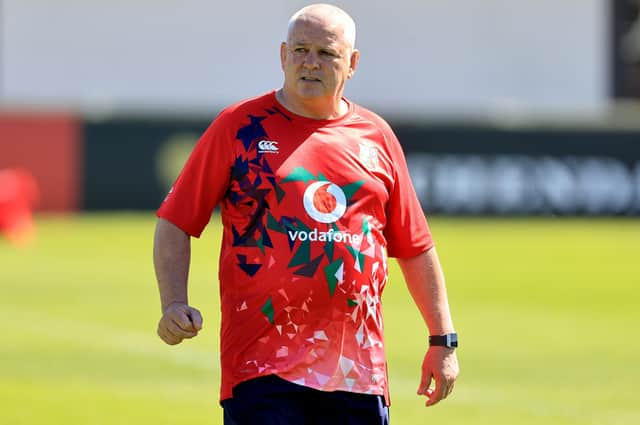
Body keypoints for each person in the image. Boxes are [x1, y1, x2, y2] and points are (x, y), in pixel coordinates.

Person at [154, 3, 459, 424]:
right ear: (283, 56)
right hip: (262, 368)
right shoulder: (239, 127)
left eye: (326, 53)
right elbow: (176, 220)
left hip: (358, 373)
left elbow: (415, 246)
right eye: (300, 50)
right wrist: (173, 302)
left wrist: (442, 340)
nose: (310, 63)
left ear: (351, 64)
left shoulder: (377, 138)